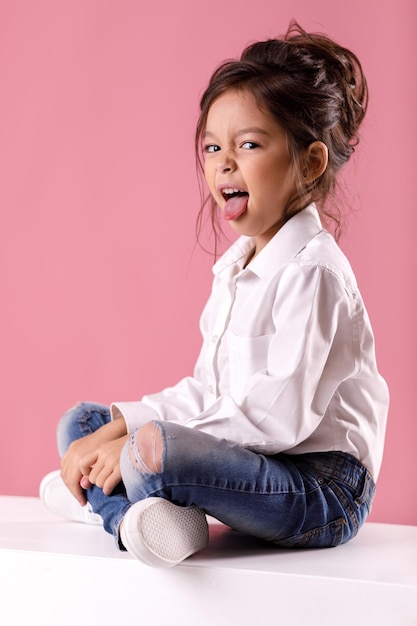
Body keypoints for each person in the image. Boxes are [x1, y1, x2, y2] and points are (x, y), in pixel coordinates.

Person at [40, 21, 389, 568]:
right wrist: (120, 426)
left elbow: (276, 419)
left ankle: (109, 505)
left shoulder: (314, 272)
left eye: (248, 144)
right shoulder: (235, 268)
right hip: (253, 467)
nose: (223, 162)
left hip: (320, 490)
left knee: (153, 449)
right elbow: (209, 392)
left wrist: (141, 439)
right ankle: (136, 518)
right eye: (211, 146)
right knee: (81, 424)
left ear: (311, 162)